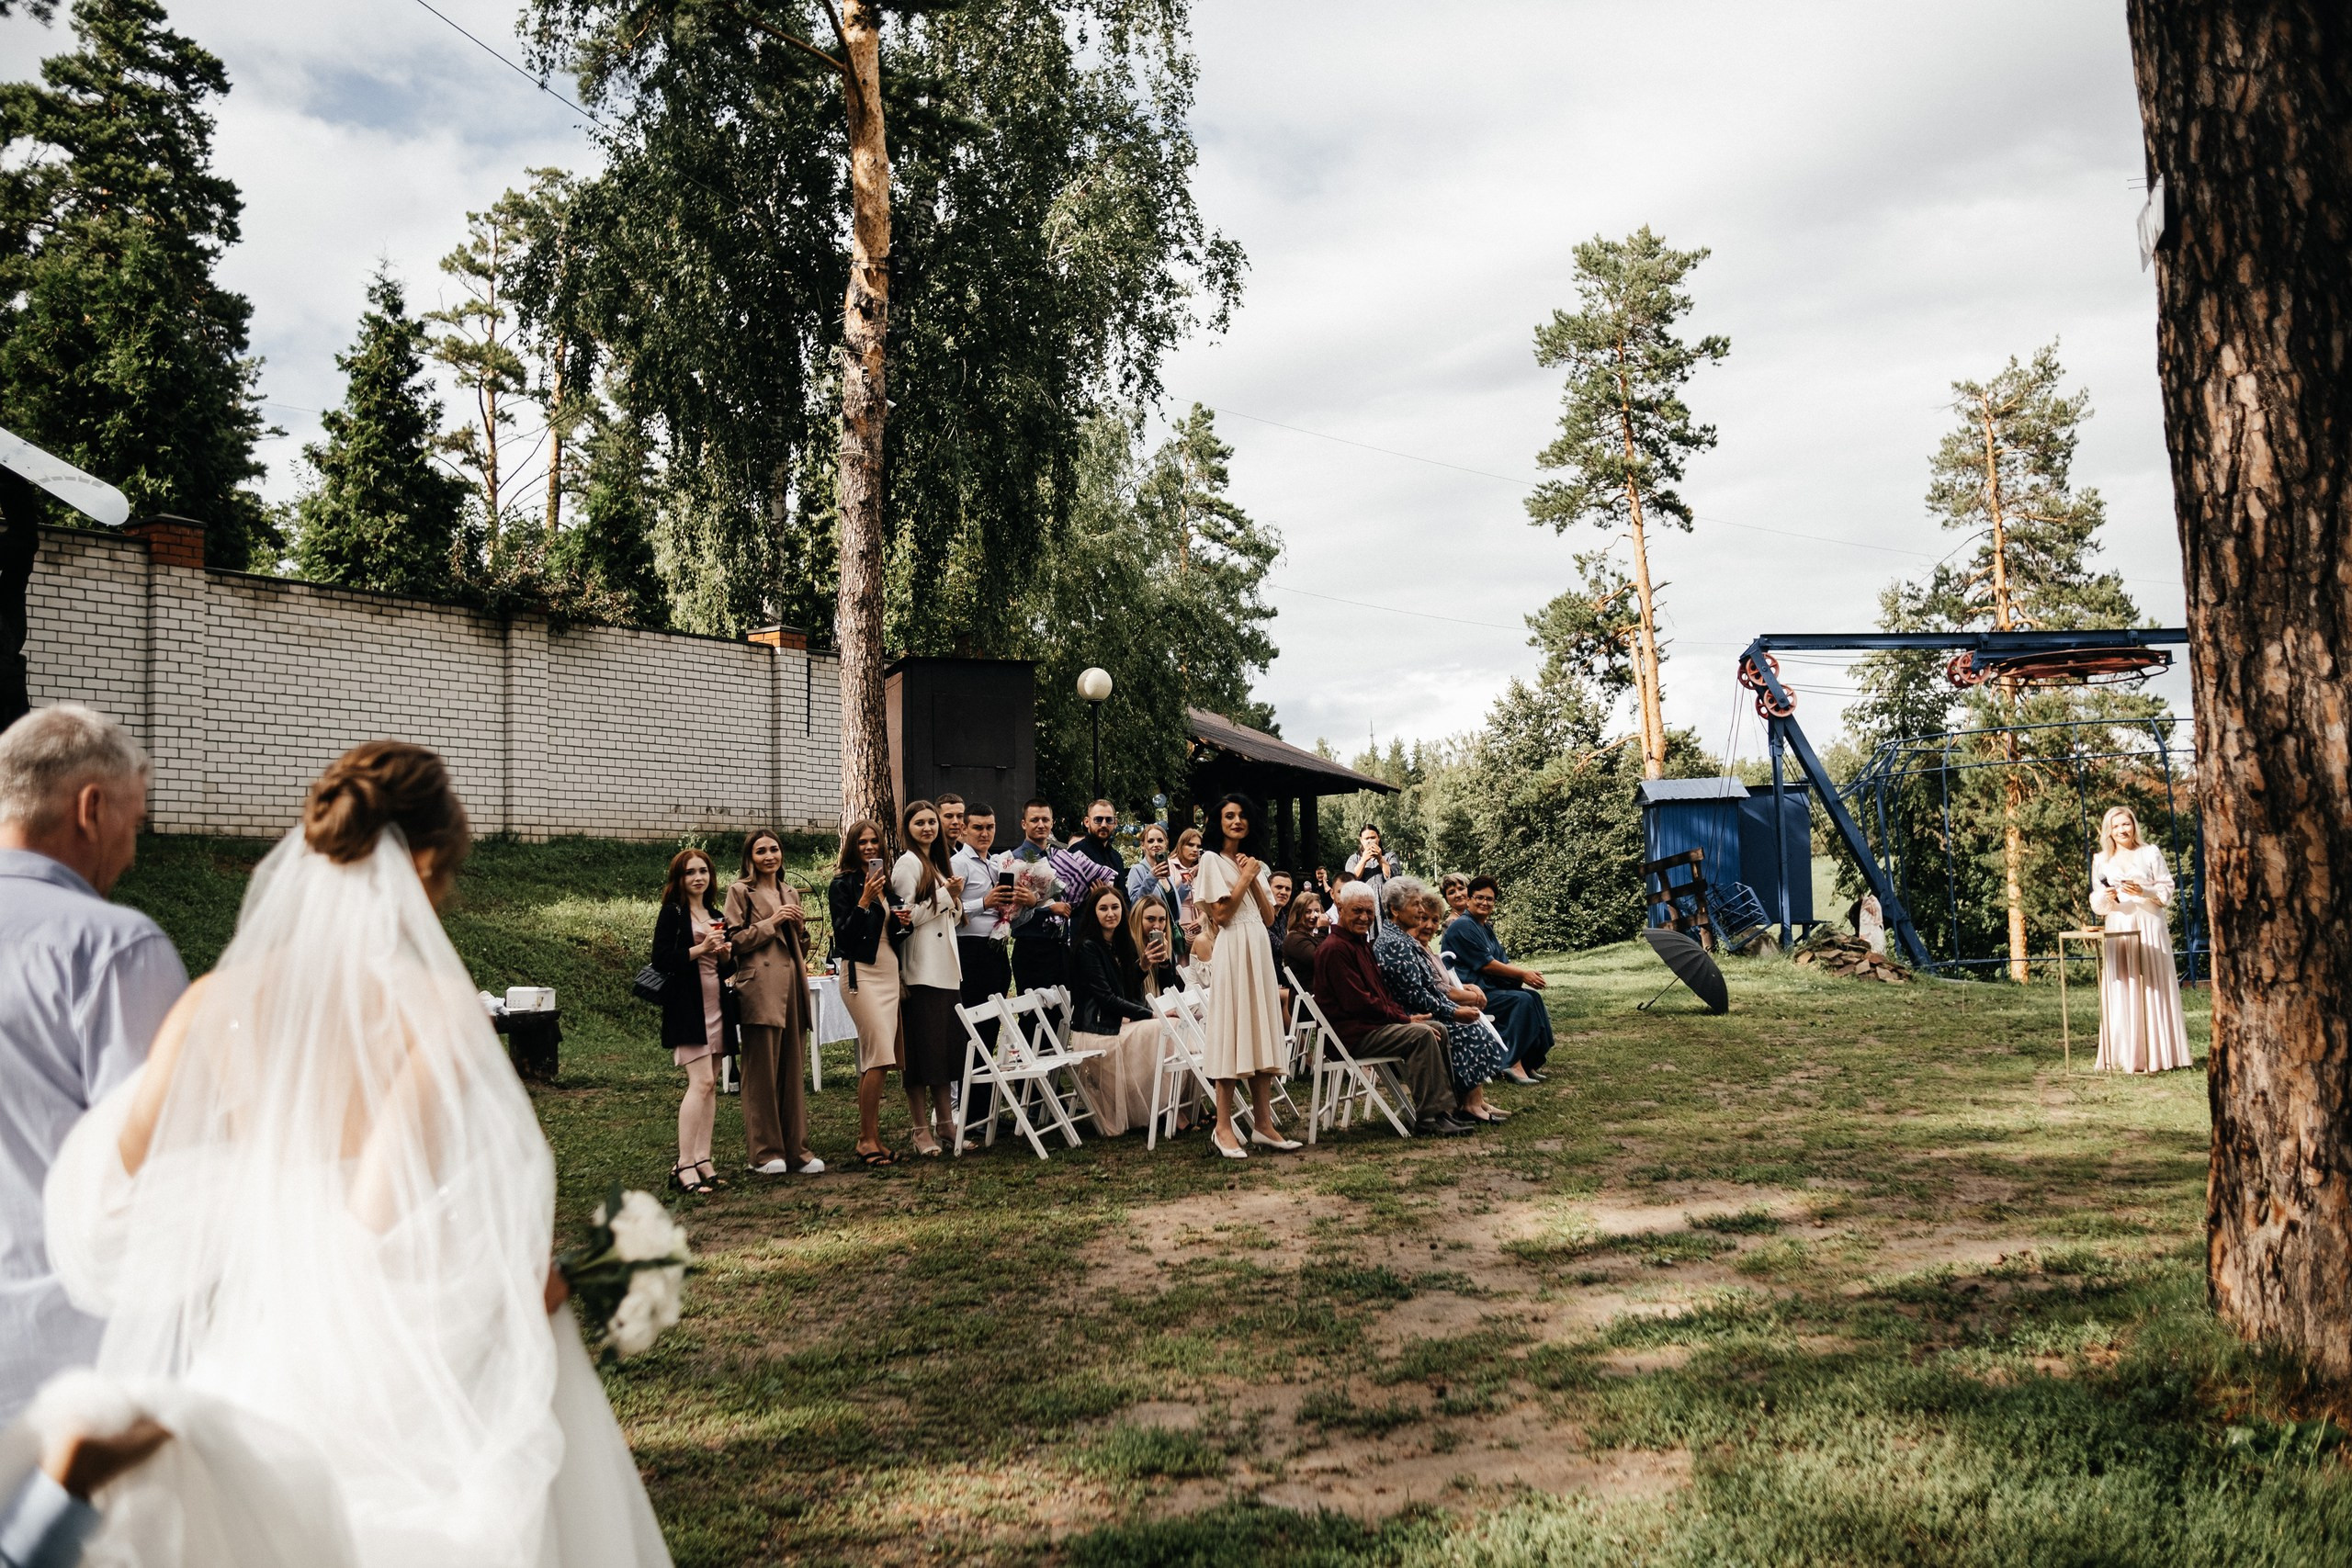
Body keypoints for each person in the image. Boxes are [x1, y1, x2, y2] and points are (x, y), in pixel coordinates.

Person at [42, 739, 670, 1568]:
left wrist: (247, 1202)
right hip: (387, 1382)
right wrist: (546, 1277)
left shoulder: (209, 1004)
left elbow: (106, 1201)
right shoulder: (437, 1014)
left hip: (253, 1352)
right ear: (426, 863)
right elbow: (381, 1226)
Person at [0, 705, 187, 1425]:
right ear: (91, 807)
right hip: (70, 1366)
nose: (133, 849)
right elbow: (159, 1169)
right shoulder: (113, 948)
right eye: (134, 822)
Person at [1313, 883, 1470, 1135]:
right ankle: (1429, 1119)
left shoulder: (1359, 943)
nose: (1364, 917)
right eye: (1357, 911)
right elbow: (1359, 1003)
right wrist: (1404, 1021)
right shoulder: (1334, 949)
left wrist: (1405, 1018)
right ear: (1340, 909)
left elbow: (1380, 995)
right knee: (1422, 1035)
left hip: (1371, 1026)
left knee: (1437, 1027)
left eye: (1369, 912)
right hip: (1351, 1035)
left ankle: (1444, 1112)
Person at [1193, 794, 1298, 1158]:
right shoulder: (1209, 860)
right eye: (1229, 816)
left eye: (1242, 816)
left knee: (1261, 1032)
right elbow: (1221, 916)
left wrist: (1253, 876)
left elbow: (1270, 918)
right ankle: (1223, 1128)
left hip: (1258, 949)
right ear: (1218, 822)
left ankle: (1263, 1125)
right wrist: (1245, 878)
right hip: (1234, 948)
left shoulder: (1253, 863)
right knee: (1233, 1032)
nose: (1236, 821)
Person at [723, 829, 820, 1177]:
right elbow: (734, 940)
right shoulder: (739, 891)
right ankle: (764, 1153)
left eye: (774, 849)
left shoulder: (789, 891)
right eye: (761, 851)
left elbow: (799, 945)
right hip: (759, 985)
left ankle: (797, 1150)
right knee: (762, 1072)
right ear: (750, 857)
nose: (769, 856)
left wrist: (799, 929)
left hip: (792, 983)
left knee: (792, 1070)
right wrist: (774, 921)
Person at [1372, 882, 1506, 1123]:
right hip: (1412, 1015)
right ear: (1394, 910)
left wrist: (1456, 1007)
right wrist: (1453, 1012)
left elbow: (1428, 987)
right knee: (1469, 1030)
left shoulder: (1404, 939)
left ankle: (1469, 1103)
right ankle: (1467, 1105)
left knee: (1473, 1025)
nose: (1421, 910)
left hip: (1423, 1009)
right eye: (1415, 905)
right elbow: (1415, 995)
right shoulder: (1394, 942)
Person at [652, 848, 736, 1196]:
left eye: (703, 871)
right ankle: (684, 1164)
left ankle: (703, 1159)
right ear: (679, 879)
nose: (698, 878)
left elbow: (727, 969)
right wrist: (700, 950)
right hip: (688, 1008)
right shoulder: (673, 913)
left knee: (711, 1084)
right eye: (690, 873)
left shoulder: (717, 915)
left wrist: (726, 955)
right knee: (699, 1082)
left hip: (717, 1005)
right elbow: (661, 960)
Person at [2091, 806, 2192, 1073]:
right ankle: (2125, 1055)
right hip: (2119, 923)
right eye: (2116, 826)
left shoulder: (2150, 852)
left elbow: (2166, 887)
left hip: (2149, 923)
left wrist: (2144, 890)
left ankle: (2159, 1055)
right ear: (2108, 831)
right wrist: (2107, 897)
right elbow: (2096, 899)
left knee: (2153, 984)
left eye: (2126, 824)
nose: (2122, 830)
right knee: (2123, 983)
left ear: (2134, 825)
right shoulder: (2101, 859)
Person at [892, 800, 965, 1156]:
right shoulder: (907, 864)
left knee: (943, 1052)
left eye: (931, 822)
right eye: (920, 823)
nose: (928, 828)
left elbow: (944, 915)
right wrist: (944, 895)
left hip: (945, 969)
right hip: (921, 970)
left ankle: (946, 1124)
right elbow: (903, 918)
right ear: (908, 828)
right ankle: (920, 1129)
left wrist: (954, 899)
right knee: (922, 1054)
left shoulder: (936, 863)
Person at [829, 821, 902, 1168]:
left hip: (888, 971)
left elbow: (895, 930)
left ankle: (872, 1136)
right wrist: (864, 901)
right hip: (860, 974)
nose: (870, 848)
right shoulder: (843, 884)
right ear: (853, 847)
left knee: (878, 1060)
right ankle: (864, 1139)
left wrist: (904, 919)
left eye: (875, 841)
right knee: (880, 1056)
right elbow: (843, 938)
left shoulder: (887, 883)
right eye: (863, 843)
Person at [1064, 886, 1164, 1136]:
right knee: (1162, 1028)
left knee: (1170, 1031)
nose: (1110, 913)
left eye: (1115, 907)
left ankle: (1174, 1109)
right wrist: (1151, 1014)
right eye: (1103, 908)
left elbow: (1124, 990)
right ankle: (1164, 1109)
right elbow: (1108, 999)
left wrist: (1142, 966)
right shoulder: (1088, 947)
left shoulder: (1119, 944)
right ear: (1093, 913)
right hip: (1096, 1031)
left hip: (1114, 1025)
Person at [1442, 875, 1554, 1084]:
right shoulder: (1463, 926)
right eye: (1479, 898)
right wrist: (1522, 975)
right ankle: (1510, 1062)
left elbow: (1502, 961)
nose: (1485, 903)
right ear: (1469, 900)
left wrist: (1526, 973)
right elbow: (1486, 964)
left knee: (1533, 997)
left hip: (1491, 987)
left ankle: (1529, 1062)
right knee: (1521, 1001)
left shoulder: (1485, 927)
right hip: (1472, 993)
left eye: (1490, 899)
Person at [951, 803, 1017, 1041]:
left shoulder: (995, 863)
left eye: (990, 827)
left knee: (992, 1021)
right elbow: (949, 912)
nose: (984, 833)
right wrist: (984, 903)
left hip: (996, 948)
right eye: (978, 827)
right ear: (963, 829)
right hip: (970, 949)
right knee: (973, 1022)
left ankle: (987, 1076)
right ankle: (968, 1075)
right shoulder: (959, 864)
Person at [1007, 800, 1070, 992]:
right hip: (1032, 948)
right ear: (1024, 824)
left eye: (1045, 819)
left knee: (1062, 1017)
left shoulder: (1057, 857)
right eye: (1034, 820)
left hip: (1059, 948)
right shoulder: (1016, 859)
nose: (1041, 824)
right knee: (1033, 1016)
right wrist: (1047, 908)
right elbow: (1012, 910)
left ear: (1052, 823)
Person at [1125, 823, 1176, 919]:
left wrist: (1186, 884)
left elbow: (1172, 903)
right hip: (1149, 929)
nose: (1156, 844)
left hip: (1169, 930)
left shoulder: (1167, 869)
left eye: (1160, 840)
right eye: (1151, 841)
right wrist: (1152, 878)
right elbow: (1135, 904)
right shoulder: (1137, 870)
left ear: (1166, 843)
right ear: (1143, 845)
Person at [1345, 825, 1399, 915]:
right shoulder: (1354, 859)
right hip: (1362, 906)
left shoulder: (1390, 856)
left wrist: (1380, 858)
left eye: (1373, 837)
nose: (1370, 841)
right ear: (1361, 840)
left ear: (1378, 838)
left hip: (1387, 905)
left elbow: (1393, 877)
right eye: (1366, 838)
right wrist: (1364, 859)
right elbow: (1351, 880)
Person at [1279, 889, 1326, 987]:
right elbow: (1320, 959)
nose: (1313, 916)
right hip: (1308, 996)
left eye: (1317, 911)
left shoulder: (1315, 937)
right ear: (1298, 913)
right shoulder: (1294, 938)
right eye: (1308, 912)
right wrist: (1323, 930)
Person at [1072, 799, 1126, 880]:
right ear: (1087, 822)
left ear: (1115, 823)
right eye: (1098, 819)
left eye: (1109, 820)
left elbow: (1123, 892)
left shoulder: (1116, 857)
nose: (1104, 825)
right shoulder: (1077, 852)